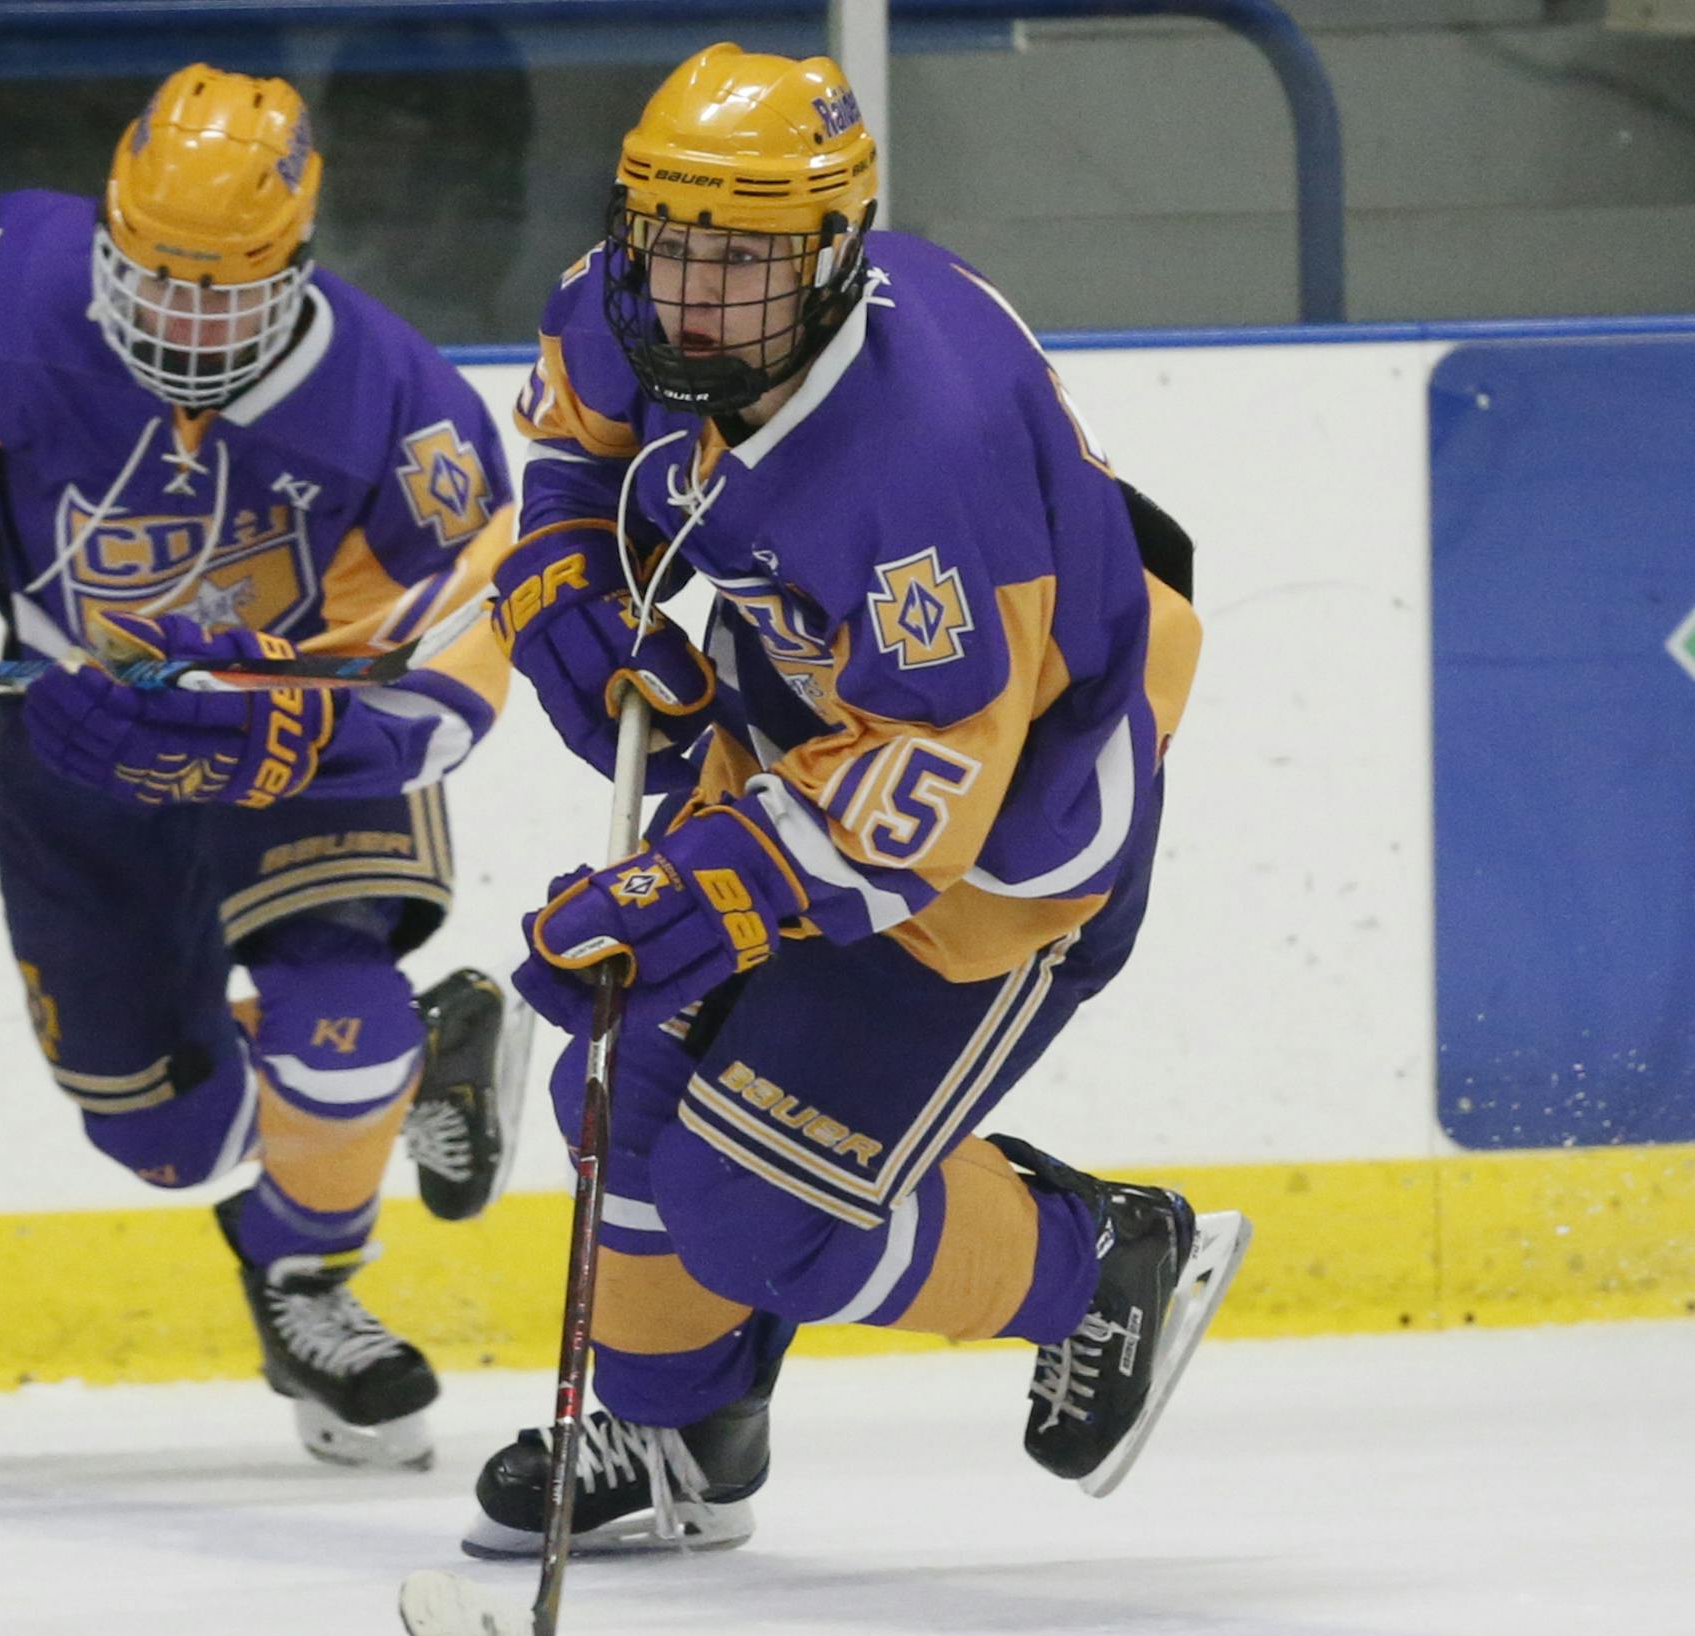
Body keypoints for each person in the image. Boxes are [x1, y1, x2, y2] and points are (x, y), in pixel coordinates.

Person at [463, 42, 1251, 1554]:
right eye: (672, 244)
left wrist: (687, 893)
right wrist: (564, 561)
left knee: (762, 1215)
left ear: (832, 256)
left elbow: (918, 805)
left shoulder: (922, 459)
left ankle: (1106, 1262)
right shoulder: (652, 290)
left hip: (994, 862)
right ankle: (683, 1434)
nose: (693, 295)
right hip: (800, 743)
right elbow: (578, 439)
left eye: (743, 262)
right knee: (616, 1097)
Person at [0, 63, 530, 1472]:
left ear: (297, 263)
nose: (183, 318)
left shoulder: (403, 412)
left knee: (342, 1026)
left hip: (290, 747)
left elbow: (458, 668)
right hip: (69, 741)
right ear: (106, 235)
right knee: (165, 1138)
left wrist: (298, 731)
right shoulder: (4, 290)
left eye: (225, 289)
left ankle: (312, 1272)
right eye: (156, 279)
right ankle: (422, 1068)